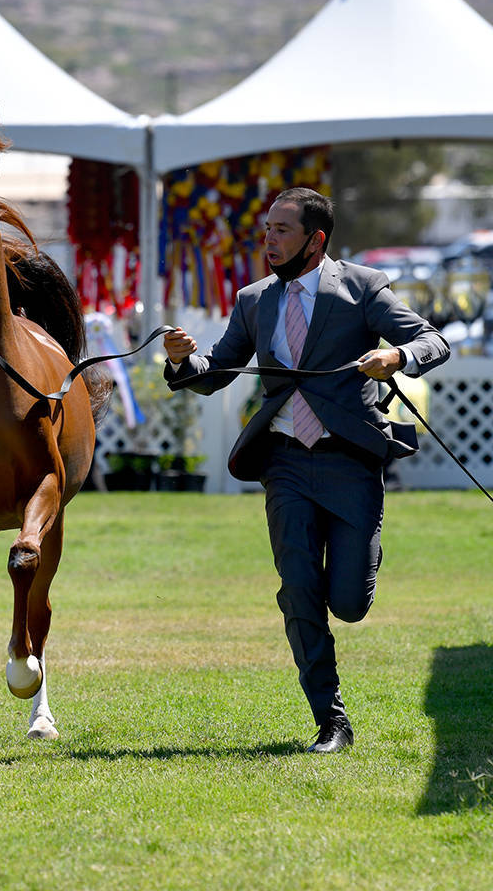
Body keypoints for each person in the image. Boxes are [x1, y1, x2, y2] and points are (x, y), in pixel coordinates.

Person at [163, 187, 450, 753]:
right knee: (298, 588)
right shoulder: (253, 300)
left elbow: (431, 340)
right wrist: (181, 360)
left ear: (315, 239)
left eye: (282, 230)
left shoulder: (363, 287)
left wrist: (397, 357)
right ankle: (331, 720)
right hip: (285, 462)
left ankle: (359, 556)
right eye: (266, 229)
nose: (269, 240)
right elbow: (216, 370)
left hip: (351, 463)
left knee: (347, 602)